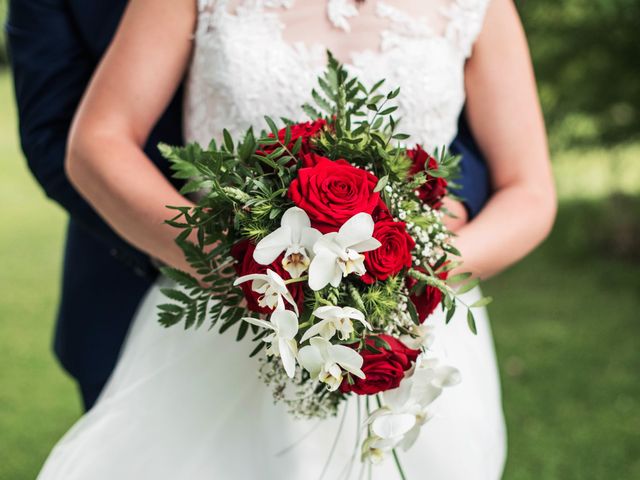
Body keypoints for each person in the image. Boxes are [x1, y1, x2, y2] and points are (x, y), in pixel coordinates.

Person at [31, 0, 558, 478]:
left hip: (408, 336)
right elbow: (97, 142)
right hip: (228, 315)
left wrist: (412, 279)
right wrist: (226, 261)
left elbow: (530, 190)